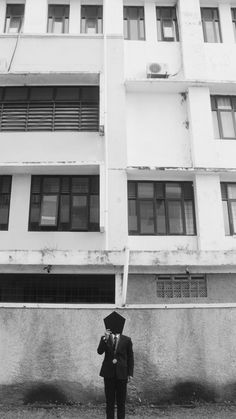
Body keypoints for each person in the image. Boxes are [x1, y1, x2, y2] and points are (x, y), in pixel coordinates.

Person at [97, 313, 134, 419]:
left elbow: (130, 357)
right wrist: (105, 338)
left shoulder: (127, 340)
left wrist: (130, 373)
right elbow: (99, 352)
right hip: (108, 374)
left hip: (122, 374)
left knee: (121, 402)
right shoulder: (105, 338)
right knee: (109, 402)